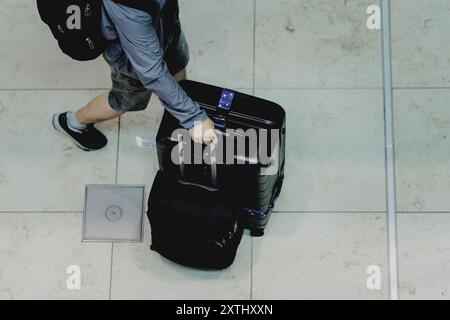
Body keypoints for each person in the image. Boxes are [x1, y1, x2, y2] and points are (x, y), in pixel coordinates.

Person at [52, 0, 217, 151]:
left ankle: (179, 113)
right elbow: (152, 74)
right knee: (126, 99)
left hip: (164, 27)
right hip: (131, 57)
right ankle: (73, 123)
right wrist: (194, 118)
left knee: (176, 65)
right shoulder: (129, 10)